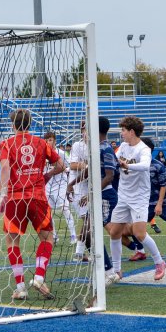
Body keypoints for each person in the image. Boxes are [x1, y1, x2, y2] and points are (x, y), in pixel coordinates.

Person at [0, 109, 64, 300]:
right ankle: (40, 278)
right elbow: (60, 166)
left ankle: (21, 288)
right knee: (47, 238)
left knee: (12, 241)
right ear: (30, 124)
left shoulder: (6, 144)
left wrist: (3, 195)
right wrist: (46, 176)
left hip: (15, 198)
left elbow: (4, 167)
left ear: (13, 125)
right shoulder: (42, 143)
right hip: (38, 197)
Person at [107, 116, 166, 281]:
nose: (121, 134)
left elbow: (145, 166)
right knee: (114, 232)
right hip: (123, 196)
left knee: (139, 233)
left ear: (131, 131)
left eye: (124, 130)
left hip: (139, 197)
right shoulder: (124, 146)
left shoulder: (143, 149)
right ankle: (117, 270)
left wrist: (127, 165)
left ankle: (159, 262)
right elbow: (113, 158)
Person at [69, 118, 122, 286]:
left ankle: (111, 269)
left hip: (106, 196)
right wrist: (71, 184)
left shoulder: (105, 148)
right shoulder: (96, 148)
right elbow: (90, 172)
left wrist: (92, 193)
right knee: (92, 233)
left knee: (115, 231)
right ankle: (110, 272)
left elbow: (109, 176)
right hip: (98, 195)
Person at [43, 131, 78, 244]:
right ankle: (54, 236)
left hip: (60, 185)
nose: (48, 142)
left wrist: (63, 170)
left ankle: (73, 235)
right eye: (46, 140)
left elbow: (68, 166)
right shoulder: (42, 153)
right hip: (47, 186)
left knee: (65, 209)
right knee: (48, 212)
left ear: (55, 141)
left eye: (50, 140)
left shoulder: (61, 153)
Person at [68, 121, 91, 261]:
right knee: (89, 221)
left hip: (88, 189)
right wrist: (89, 165)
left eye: (87, 129)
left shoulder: (97, 146)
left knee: (89, 222)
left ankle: (79, 252)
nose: (85, 132)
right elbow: (73, 165)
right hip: (77, 189)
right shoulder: (78, 145)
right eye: (83, 129)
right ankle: (85, 251)